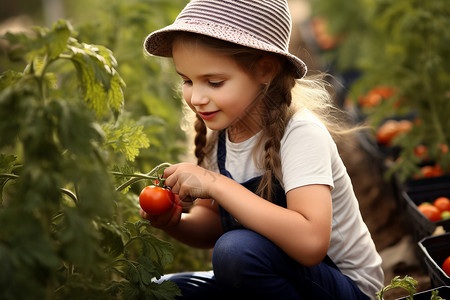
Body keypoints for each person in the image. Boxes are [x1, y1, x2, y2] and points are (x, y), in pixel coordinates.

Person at [141, 1, 384, 299]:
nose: (197, 97)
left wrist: (217, 185)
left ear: (265, 70)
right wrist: (176, 222)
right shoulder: (219, 134)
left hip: (340, 286)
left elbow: (310, 245)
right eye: (188, 80)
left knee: (235, 252)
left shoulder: (300, 134)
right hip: (273, 274)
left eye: (214, 82)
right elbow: (212, 226)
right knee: (159, 291)